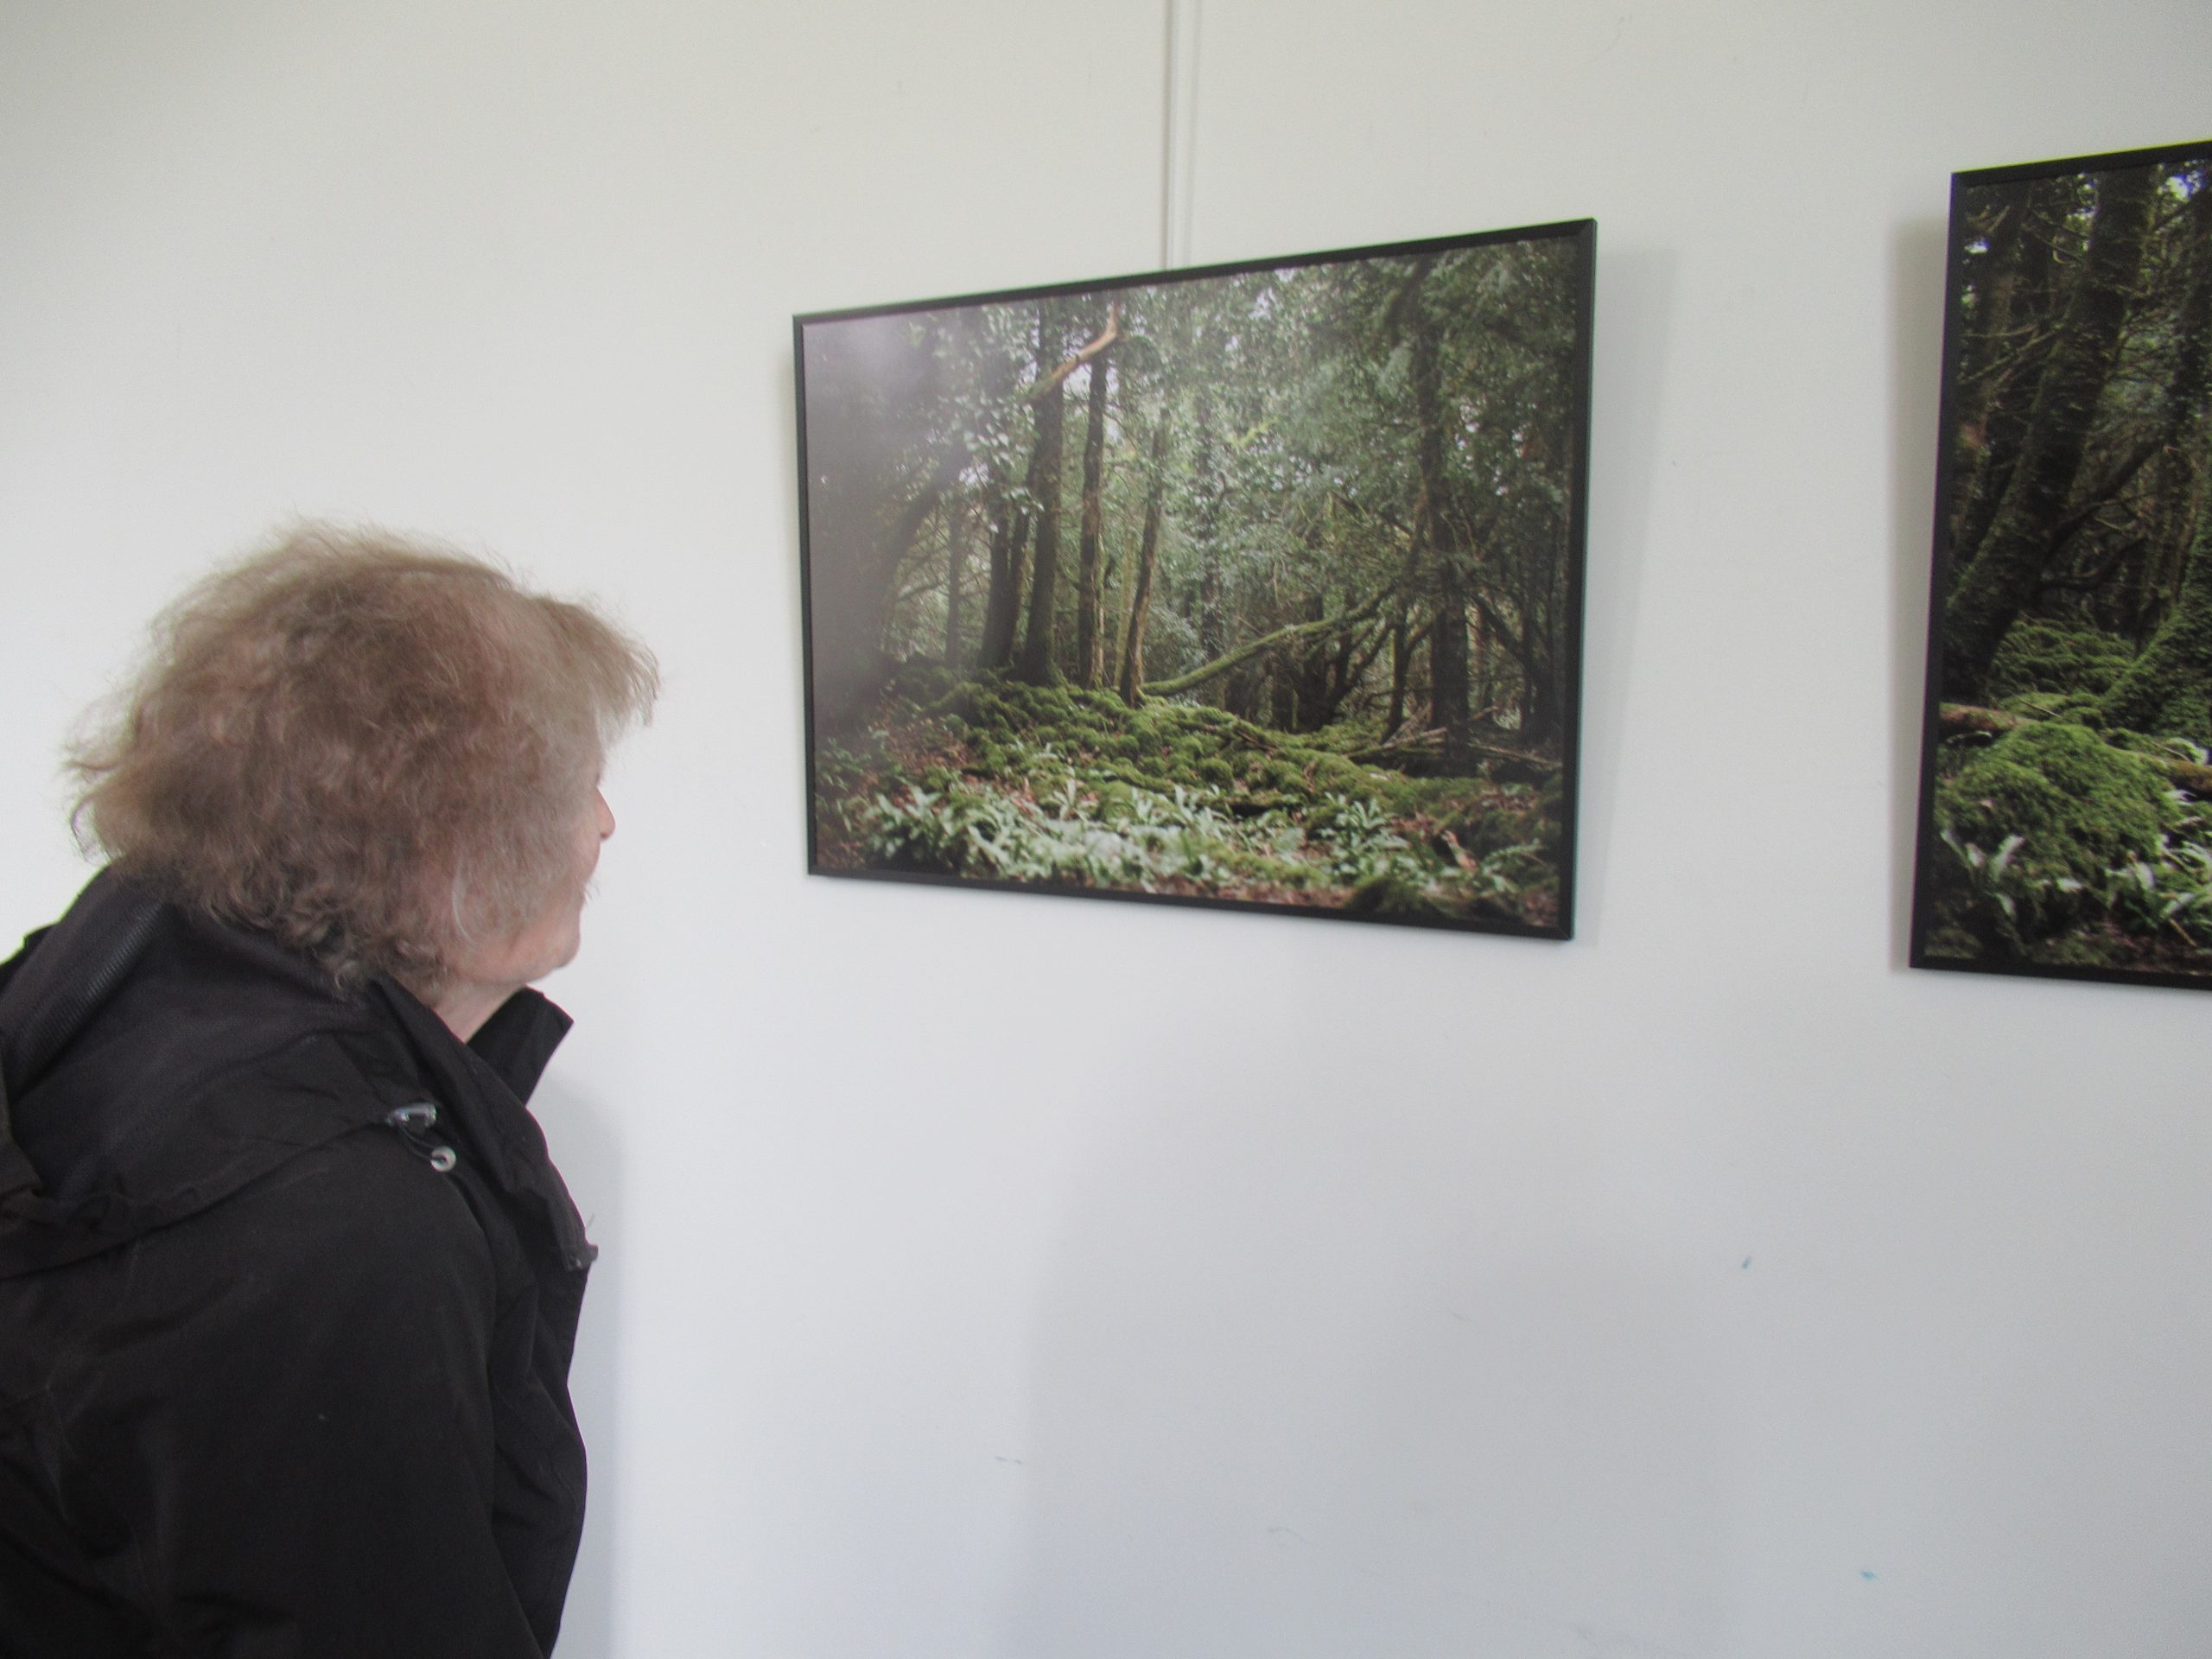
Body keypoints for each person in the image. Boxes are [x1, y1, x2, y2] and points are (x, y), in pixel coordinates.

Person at [0, 525, 657, 1656]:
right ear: (450, 858)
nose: (602, 824)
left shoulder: (96, 983)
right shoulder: (347, 1225)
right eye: (572, 789)